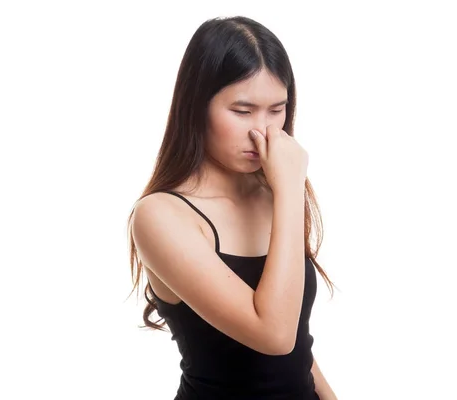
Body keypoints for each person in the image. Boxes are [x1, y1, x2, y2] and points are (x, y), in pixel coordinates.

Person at [128, 16, 338, 400]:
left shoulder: (273, 191)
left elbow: (296, 344)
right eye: (242, 111)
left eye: (277, 110)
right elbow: (272, 334)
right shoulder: (161, 216)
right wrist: (290, 188)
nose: (262, 132)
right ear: (197, 107)